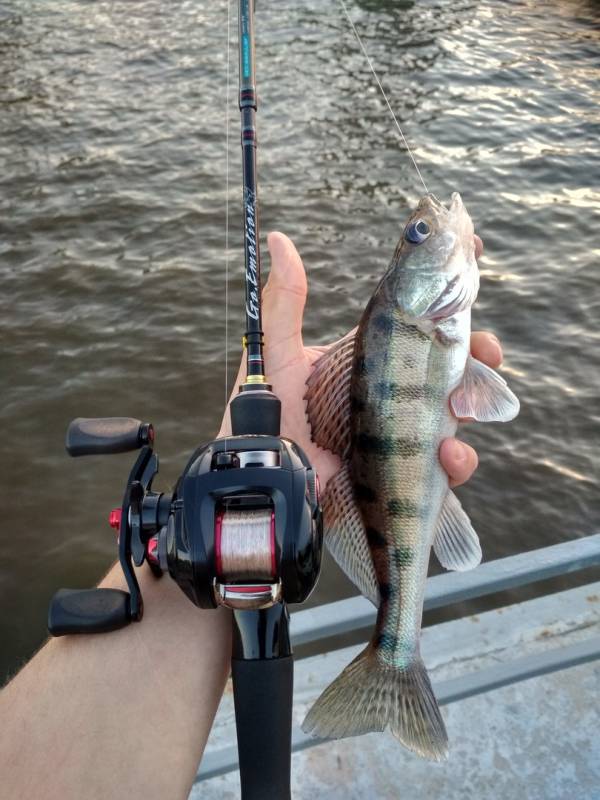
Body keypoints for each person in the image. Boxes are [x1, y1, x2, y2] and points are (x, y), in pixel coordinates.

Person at [0, 232, 502, 800]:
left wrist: (256, 468)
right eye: (418, 236)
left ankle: (395, 645)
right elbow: (493, 399)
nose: (428, 233)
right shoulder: (413, 323)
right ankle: (396, 651)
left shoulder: (413, 323)